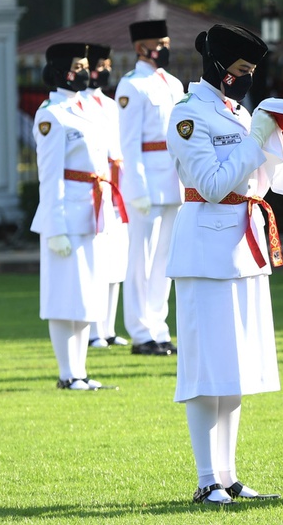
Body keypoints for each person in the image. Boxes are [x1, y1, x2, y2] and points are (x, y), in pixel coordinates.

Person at [166, 24, 283, 504]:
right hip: (205, 250)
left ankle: (230, 474)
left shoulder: (238, 111)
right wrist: (255, 142)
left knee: (234, 369)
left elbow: (258, 178)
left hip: (243, 247)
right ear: (218, 68)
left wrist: (267, 140)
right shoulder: (187, 116)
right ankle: (204, 479)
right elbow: (213, 185)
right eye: (240, 70)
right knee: (204, 370)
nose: (246, 79)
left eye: (251, 72)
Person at [32, 42, 125, 390]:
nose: (87, 72)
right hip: (66, 215)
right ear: (62, 71)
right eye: (80, 65)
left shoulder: (84, 107)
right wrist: (54, 227)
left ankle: (81, 372)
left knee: (89, 293)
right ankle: (66, 373)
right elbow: (50, 174)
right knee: (62, 296)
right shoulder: (51, 115)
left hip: (91, 211)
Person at [117, 19, 183, 356]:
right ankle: (141, 332)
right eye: (162, 42)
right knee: (140, 261)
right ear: (143, 47)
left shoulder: (172, 83)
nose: (167, 48)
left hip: (173, 181)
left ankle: (159, 327)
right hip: (147, 183)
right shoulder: (133, 86)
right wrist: (137, 189)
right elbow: (129, 145)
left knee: (165, 262)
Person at [82, 43, 130, 347]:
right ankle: (94, 330)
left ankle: (109, 329)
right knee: (96, 263)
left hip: (116, 190)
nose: (105, 71)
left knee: (116, 263)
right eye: (100, 66)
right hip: (95, 190)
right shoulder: (80, 105)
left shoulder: (111, 105)